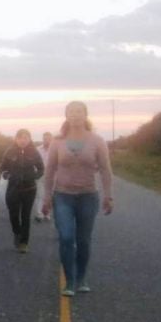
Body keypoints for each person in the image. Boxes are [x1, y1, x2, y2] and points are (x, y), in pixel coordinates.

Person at [42, 101, 113, 296]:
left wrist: (108, 195)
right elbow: (49, 171)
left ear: (85, 115)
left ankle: (81, 278)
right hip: (63, 196)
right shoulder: (57, 142)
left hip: (88, 196)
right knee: (66, 237)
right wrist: (46, 197)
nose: (75, 115)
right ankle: (69, 280)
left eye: (79, 111)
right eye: (71, 112)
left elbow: (106, 169)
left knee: (83, 240)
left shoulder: (97, 141)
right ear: (66, 116)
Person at [0, 129, 44, 253]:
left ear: (29, 139)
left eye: (25, 137)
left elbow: (41, 169)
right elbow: (2, 168)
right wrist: (6, 174)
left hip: (29, 189)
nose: (23, 140)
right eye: (20, 137)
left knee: (25, 216)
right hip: (13, 188)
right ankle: (16, 232)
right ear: (16, 139)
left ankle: (24, 243)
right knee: (13, 214)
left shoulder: (34, 152)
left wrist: (34, 176)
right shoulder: (10, 151)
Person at [34, 132, 53, 222]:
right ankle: (39, 214)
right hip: (40, 175)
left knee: (49, 195)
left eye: (49, 139)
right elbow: (33, 163)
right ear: (43, 139)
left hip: (52, 176)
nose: (47, 141)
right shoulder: (37, 150)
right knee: (39, 195)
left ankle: (47, 213)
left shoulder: (55, 150)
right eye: (45, 139)